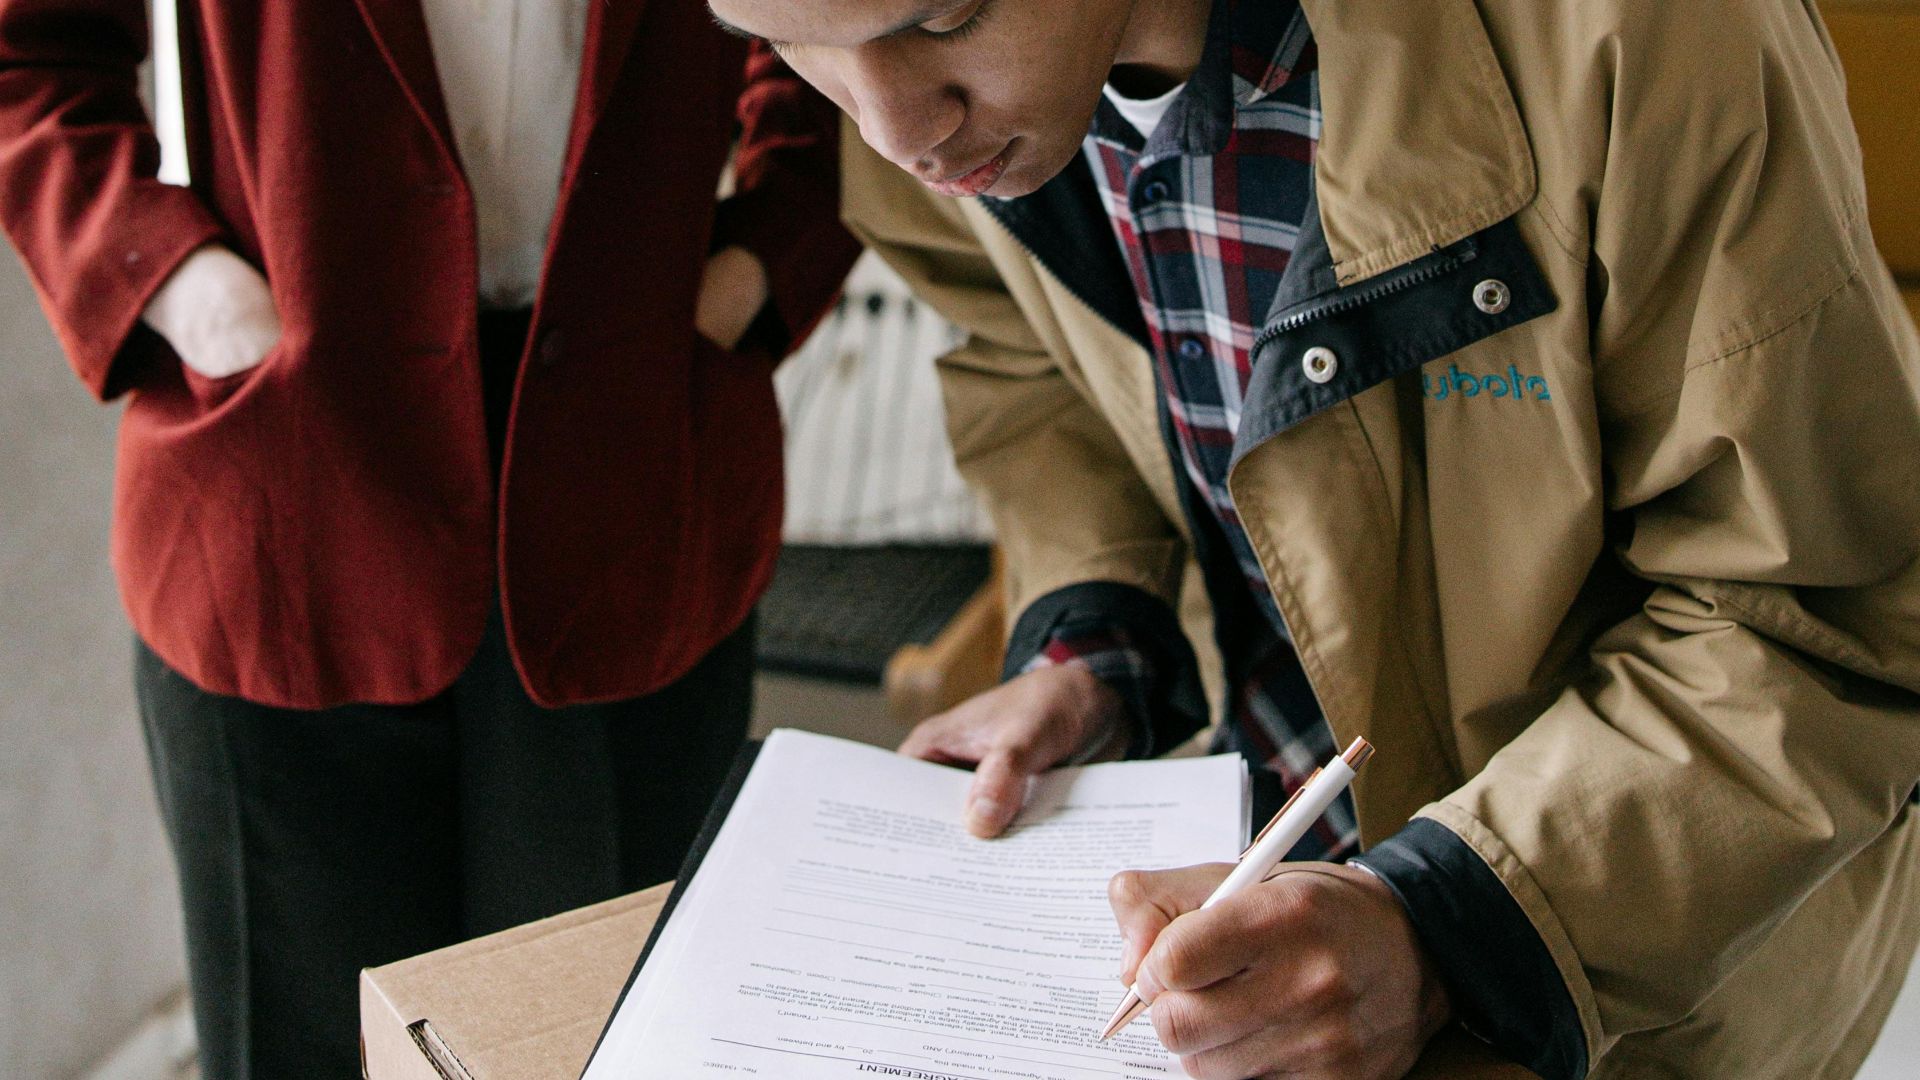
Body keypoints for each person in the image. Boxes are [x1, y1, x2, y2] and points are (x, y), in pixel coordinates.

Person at [705, 0, 1920, 1076]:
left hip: (1626, 950)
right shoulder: (951, 119)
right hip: (1262, 872)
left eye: (948, 18)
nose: (894, 131)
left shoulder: (1645, 34)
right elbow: (1029, 366)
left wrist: (1447, 925)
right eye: (787, 44)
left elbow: (1819, 621)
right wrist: (1096, 632)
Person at [0, 2, 857, 1076]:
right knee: (305, 1044)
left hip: (635, 465)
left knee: (609, 1036)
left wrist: (760, 261)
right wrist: (183, 288)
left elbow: (843, 33)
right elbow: (29, 51)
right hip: (284, 485)